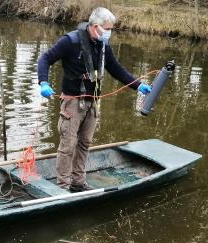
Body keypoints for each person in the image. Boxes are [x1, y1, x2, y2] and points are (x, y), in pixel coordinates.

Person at [37, 7, 151, 192]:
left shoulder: (103, 46)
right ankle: (63, 187)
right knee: (67, 146)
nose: (109, 33)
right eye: (108, 29)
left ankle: (78, 182)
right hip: (72, 103)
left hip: (92, 104)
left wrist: (138, 85)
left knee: (85, 143)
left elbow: (116, 69)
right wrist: (43, 82)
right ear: (95, 26)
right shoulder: (70, 41)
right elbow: (45, 58)